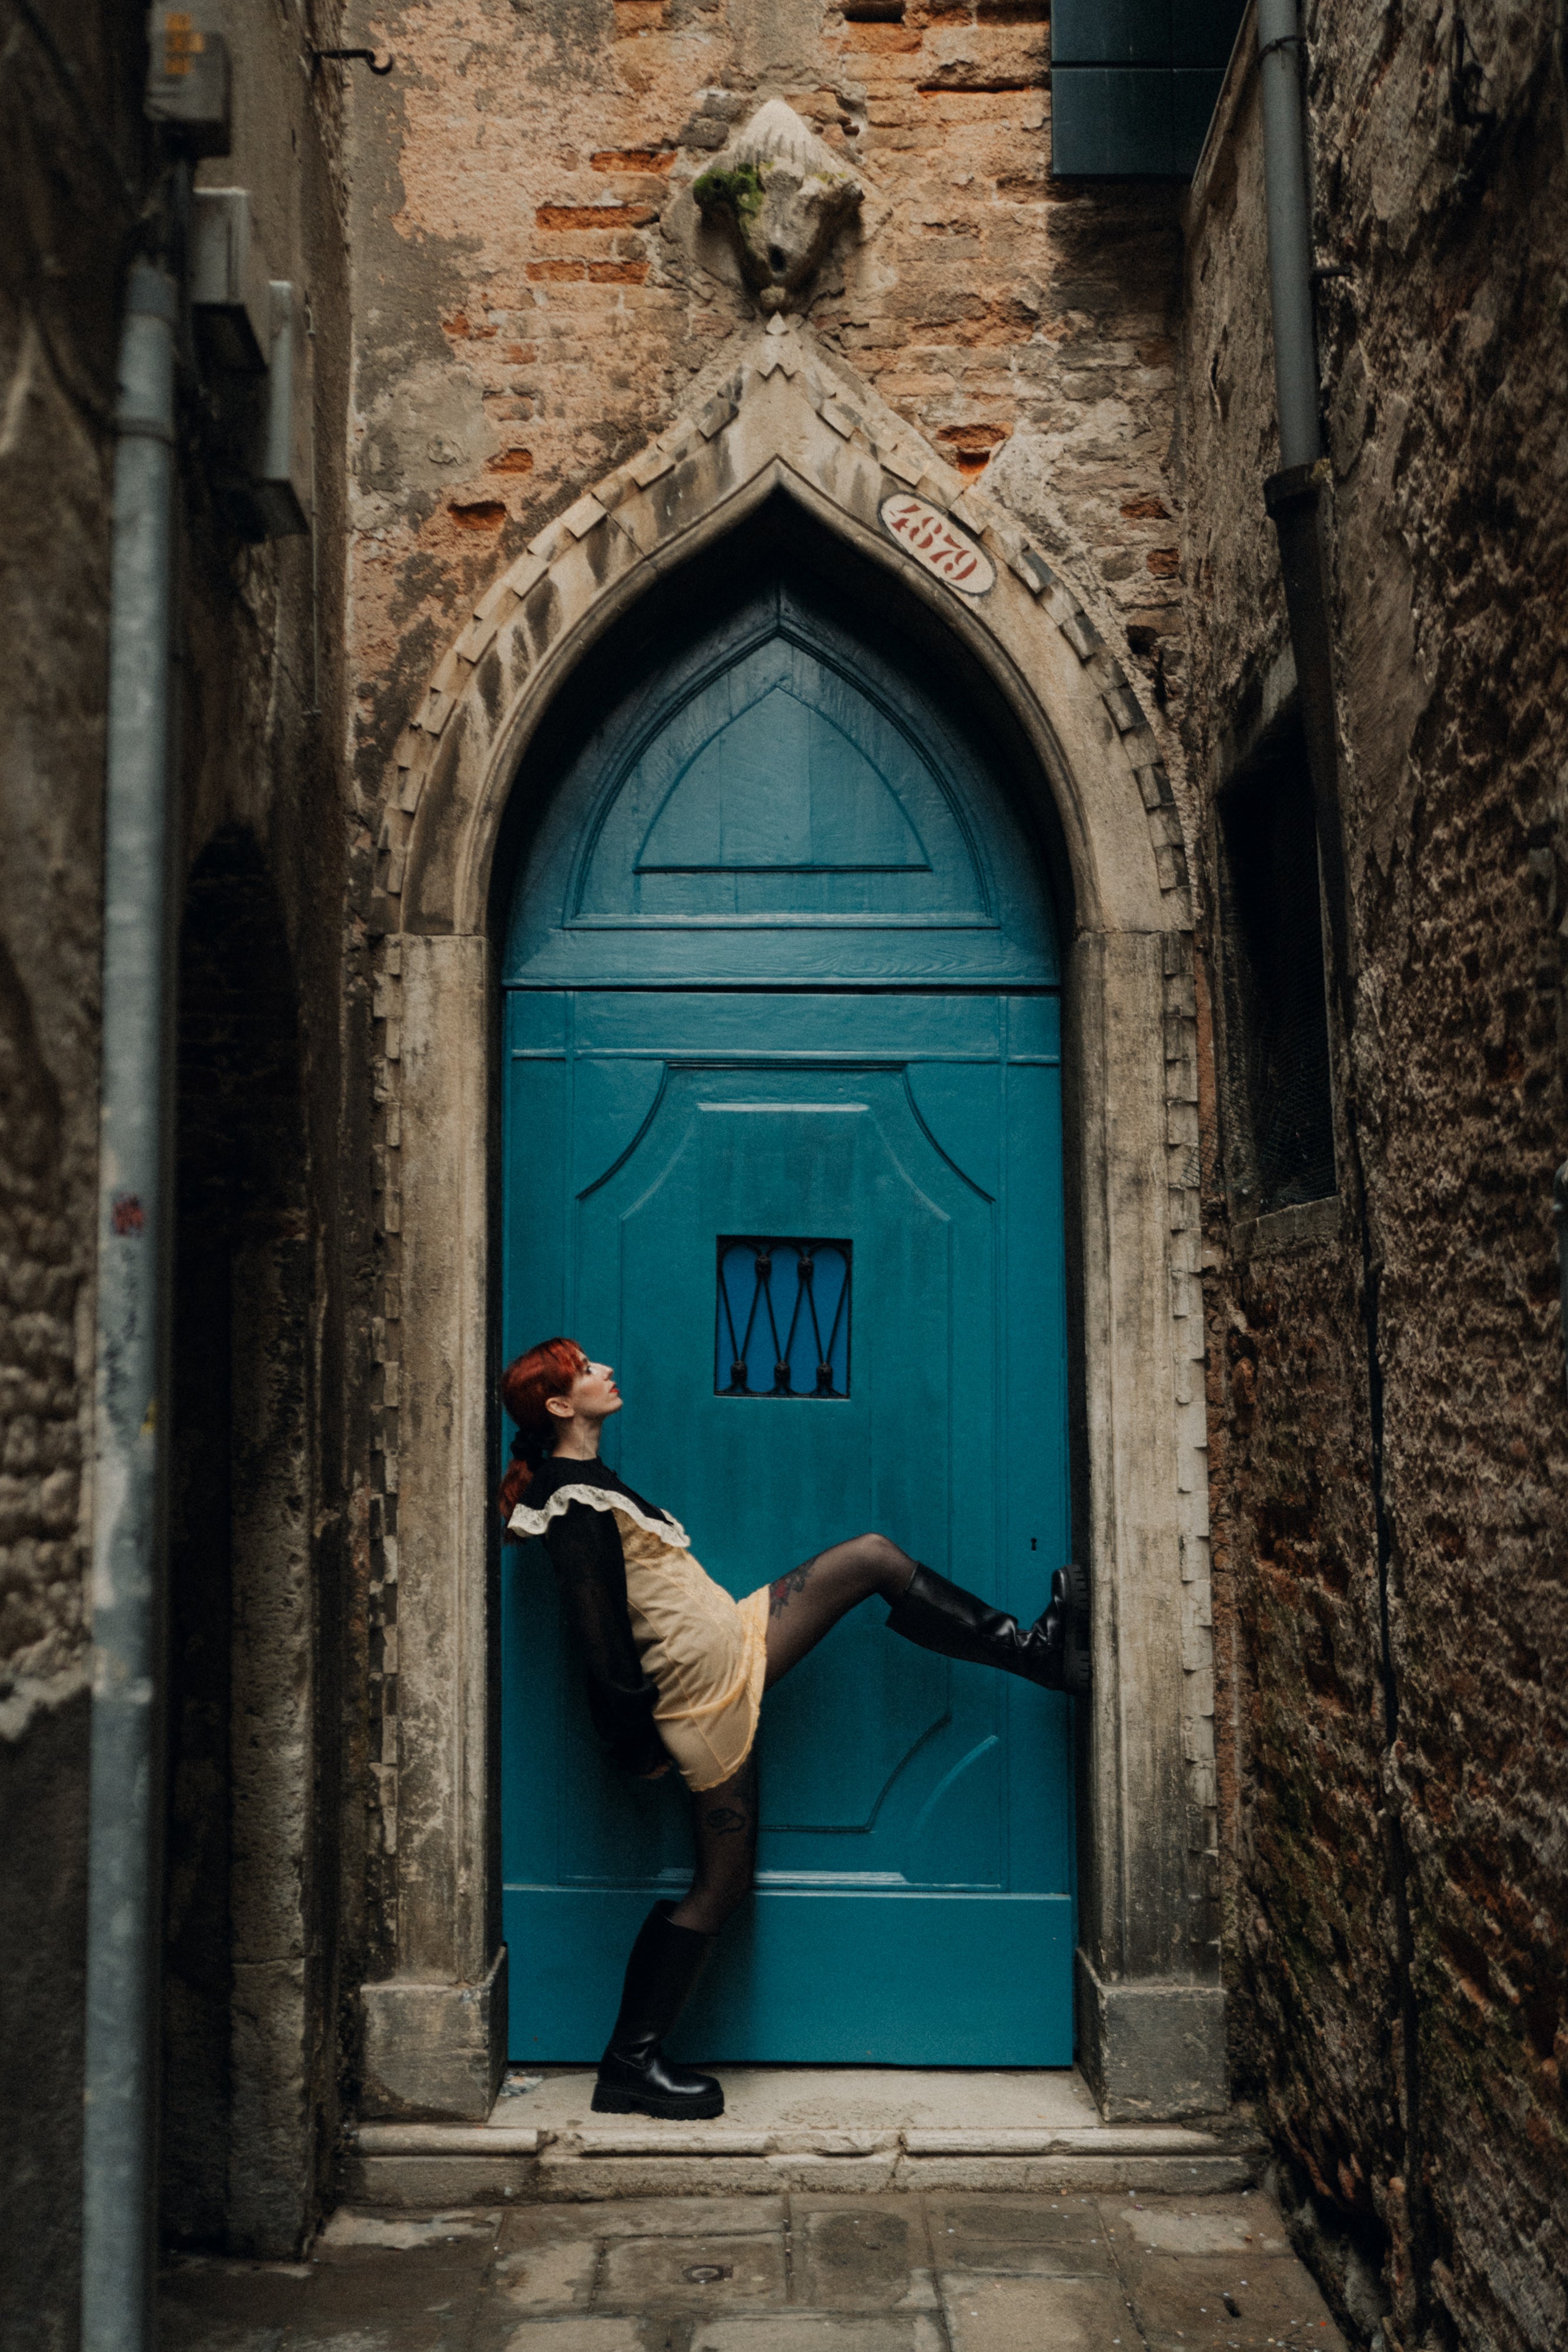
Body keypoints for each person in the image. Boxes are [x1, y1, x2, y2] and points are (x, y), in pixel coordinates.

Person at [498, 1337, 1088, 2122]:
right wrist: (632, 1744)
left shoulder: (591, 1481)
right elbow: (597, 1634)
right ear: (561, 1406)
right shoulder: (570, 1499)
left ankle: (1037, 1652)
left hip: (734, 1647)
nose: (605, 1369)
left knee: (872, 1558)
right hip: (705, 1699)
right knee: (722, 1885)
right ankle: (630, 2063)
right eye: (584, 1369)